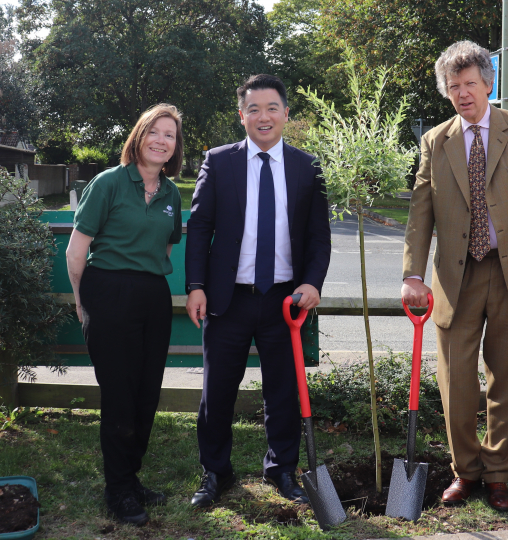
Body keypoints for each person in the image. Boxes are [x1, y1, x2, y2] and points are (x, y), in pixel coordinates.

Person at [401, 40, 508, 511]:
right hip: (456, 277)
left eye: (471, 83)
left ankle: (497, 474)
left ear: (488, 84)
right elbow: (420, 212)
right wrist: (413, 273)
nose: (463, 93)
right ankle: (464, 472)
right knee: (455, 381)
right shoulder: (436, 140)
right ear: (447, 92)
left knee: (507, 377)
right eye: (454, 86)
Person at [184, 74, 331, 507]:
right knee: (217, 393)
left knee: (283, 390)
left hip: (286, 301)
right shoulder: (218, 161)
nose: (263, 116)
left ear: (286, 113)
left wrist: (312, 282)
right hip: (227, 299)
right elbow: (200, 229)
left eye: (271, 108)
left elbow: (319, 237)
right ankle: (216, 473)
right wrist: (195, 286)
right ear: (241, 115)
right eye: (253, 109)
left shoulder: (308, 167)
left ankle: (282, 469)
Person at [66, 104, 184, 526]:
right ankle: (117, 490)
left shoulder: (171, 193)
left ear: (175, 147)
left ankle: (131, 479)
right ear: (139, 136)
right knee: (119, 394)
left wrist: (147, 278)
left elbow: (166, 248)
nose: (161, 140)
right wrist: (84, 300)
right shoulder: (109, 183)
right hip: (108, 290)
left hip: (152, 294)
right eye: (154, 131)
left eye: (169, 135)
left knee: (146, 392)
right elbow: (76, 251)